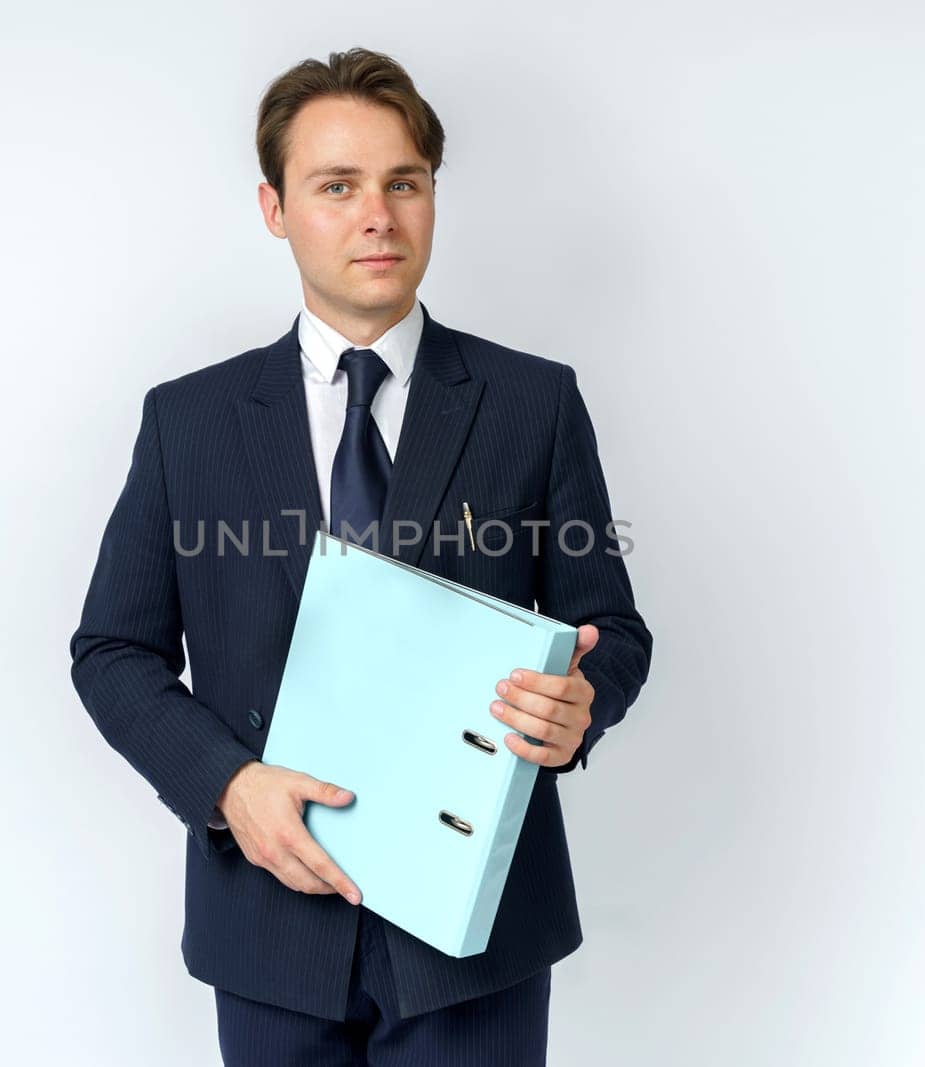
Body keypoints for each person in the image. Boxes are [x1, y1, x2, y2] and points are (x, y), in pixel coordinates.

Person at [69, 46, 652, 1066]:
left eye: (403, 183)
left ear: (431, 198)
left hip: (477, 930)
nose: (376, 214)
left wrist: (583, 705)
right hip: (268, 921)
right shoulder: (189, 421)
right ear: (275, 207)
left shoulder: (533, 403)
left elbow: (615, 631)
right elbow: (113, 648)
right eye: (336, 185)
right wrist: (226, 784)